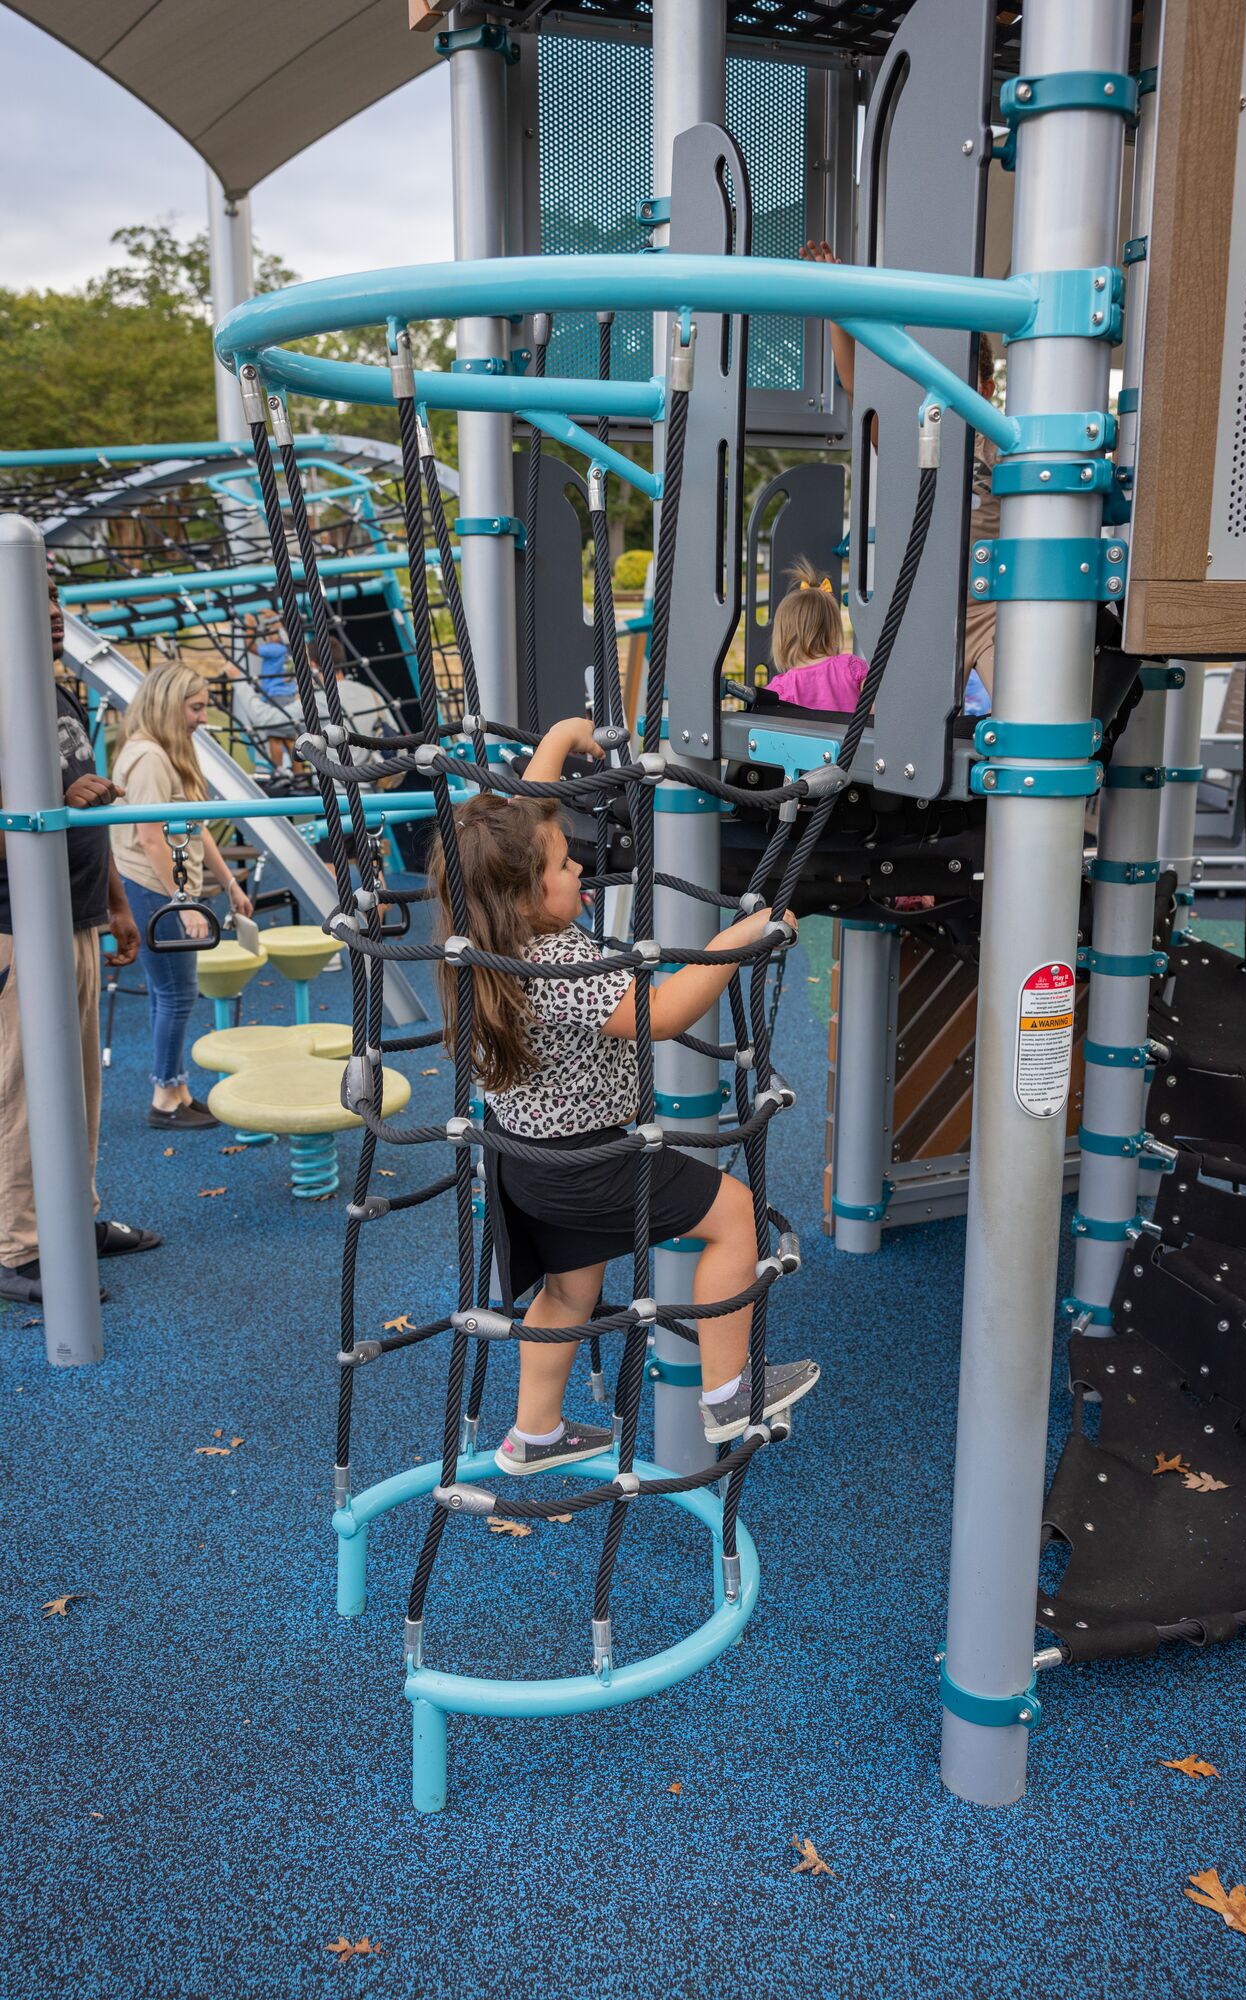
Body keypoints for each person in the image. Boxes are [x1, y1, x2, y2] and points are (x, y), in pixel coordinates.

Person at [430, 715, 820, 1474]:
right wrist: (733, 941)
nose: (579, 864)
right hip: (594, 1163)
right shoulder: (556, 963)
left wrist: (558, 740)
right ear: (524, 895)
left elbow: (521, 823)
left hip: (525, 1162)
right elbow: (662, 1015)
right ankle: (728, 1394)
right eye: (564, 864)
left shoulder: (484, 946)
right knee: (736, 1218)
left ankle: (535, 1434)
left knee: (567, 1295)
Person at [0, 575, 161, 1305]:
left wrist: (117, 903)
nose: (55, 615)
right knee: (23, 1090)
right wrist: (55, 806)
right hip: (16, 927)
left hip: (77, 914)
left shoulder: (56, 694)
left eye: (56, 601)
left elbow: (88, 809)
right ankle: (19, 1247)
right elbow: (48, 811)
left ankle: (71, 1219)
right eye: (35, 603)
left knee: (80, 1085)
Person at [801, 239, 998, 710]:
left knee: (1029, 715)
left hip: (993, 611)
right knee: (893, 717)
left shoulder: (1002, 442)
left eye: (963, 385)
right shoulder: (919, 441)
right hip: (928, 608)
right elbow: (858, 387)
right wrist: (837, 308)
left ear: (987, 389)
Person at [110, 664, 253, 1131]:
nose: (203, 718)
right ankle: (164, 1098)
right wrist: (183, 900)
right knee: (177, 992)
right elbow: (150, 836)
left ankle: (177, 1090)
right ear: (170, 705)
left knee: (166, 991)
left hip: (161, 888)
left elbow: (195, 826)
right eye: (196, 708)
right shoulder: (149, 757)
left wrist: (228, 883)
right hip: (153, 888)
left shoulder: (166, 751)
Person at [766, 557, 866, 711]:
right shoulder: (852, 667)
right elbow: (877, 712)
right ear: (832, 630)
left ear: (783, 637)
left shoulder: (780, 689)